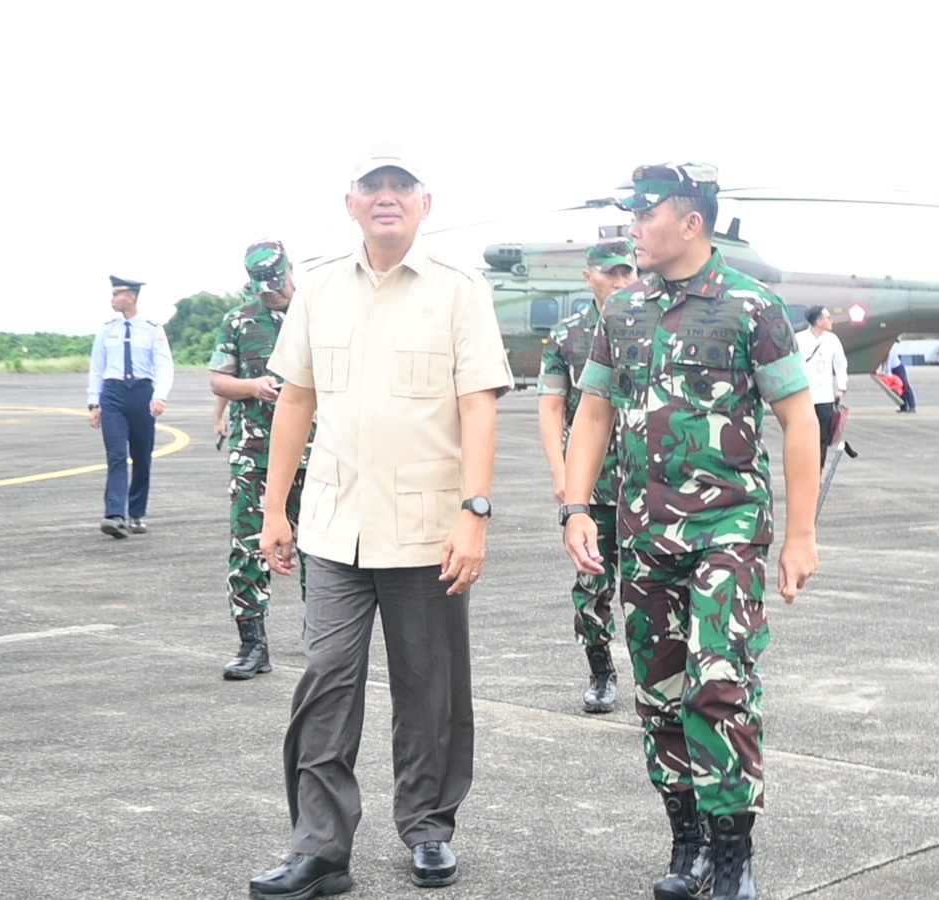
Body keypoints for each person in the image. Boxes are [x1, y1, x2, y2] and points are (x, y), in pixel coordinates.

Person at [248, 143, 513, 898]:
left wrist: (476, 515)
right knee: (326, 680)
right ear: (351, 203)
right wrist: (275, 507)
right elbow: (295, 399)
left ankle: (427, 828)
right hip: (333, 525)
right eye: (373, 186)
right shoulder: (320, 289)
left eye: (401, 186)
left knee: (430, 689)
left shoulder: (460, 293)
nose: (386, 197)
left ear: (425, 204)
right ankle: (320, 850)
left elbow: (478, 408)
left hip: (429, 529)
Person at [560, 162, 820, 900]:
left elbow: (799, 419)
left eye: (646, 217)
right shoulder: (624, 310)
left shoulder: (751, 307)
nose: (633, 230)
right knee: (660, 691)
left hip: (728, 532)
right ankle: (689, 845)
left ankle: (734, 855)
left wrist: (801, 535)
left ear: (691, 223)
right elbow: (594, 414)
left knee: (720, 684)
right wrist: (577, 508)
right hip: (645, 536)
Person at [537, 238, 635, 714]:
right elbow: (552, 407)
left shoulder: (651, 328)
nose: (620, 282)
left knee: (650, 591)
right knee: (592, 586)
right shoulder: (567, 337)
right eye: (611, 273)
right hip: (591, 488)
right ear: (589, 276)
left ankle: (663, 680)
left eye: (628, 273)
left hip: (645, 487)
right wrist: (562, 474)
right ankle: (600, 672)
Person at [207, 239, 311, 680]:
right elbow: (218, 380)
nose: (272, 293)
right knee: (247, 547)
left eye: (276, 283)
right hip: (255, 456)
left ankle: (323, 638)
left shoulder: (317, 313)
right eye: (262, 287)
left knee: (324, 548)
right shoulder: (239, 321)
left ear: (291, 269)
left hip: (318, 453)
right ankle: (253, 645)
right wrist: (253, 388)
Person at [86, 275, 172, 538]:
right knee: (116, 456)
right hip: (113, 395)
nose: (113, 300)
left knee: (142, 458)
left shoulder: (152, 329)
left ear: (131, 297)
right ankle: (114, 515)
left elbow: (163, 364)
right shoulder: (106, 330)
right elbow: (97, 367)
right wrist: (94, 402)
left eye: (117, 295)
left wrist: (160, 396)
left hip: (142, 395)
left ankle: (136, 513)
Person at [794, 306, 853, 467]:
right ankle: (804, 471)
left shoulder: (832, 339)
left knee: (823, 438)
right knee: (803, 437)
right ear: (819, 321)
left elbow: (841, 363)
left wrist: (842, 387)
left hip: (825, 397)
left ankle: (817, 472)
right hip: (804, 396)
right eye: (829, 317)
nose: (831, 320)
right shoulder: (799, 339)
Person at [886, 345, 916, 412]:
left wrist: (888, 372)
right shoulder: (884, 349)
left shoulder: (890, 349)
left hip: (898, 368)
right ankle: (903, 406)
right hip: (893, 369)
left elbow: (889, 360)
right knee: (898, 388)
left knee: (906, 386)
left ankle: (912, 406)